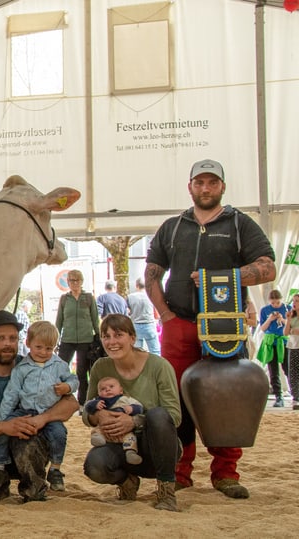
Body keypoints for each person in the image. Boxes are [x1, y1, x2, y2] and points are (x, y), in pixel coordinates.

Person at [145, 158, 276, 499]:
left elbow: (268, 267)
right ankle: (179, 472)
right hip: (179, 323)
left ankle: (226, 473)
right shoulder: (172, 226)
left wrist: (229, 278)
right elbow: (152, 273)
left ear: (222, 187)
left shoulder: (239, 224)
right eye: (199, 183)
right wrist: (164, 313)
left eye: (212, 183)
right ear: (190, 186)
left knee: (228, 396)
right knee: (175, 399)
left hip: (226, 326)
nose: (205, 188)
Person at [0, 311, 78, 504]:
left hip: (29, 440)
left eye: (12, 338)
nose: (8, 343)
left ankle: (33, 488)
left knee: (30, 443)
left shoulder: (36, 366)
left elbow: (71, 404)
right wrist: (4, 427)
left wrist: (42, 419)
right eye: (0, 338)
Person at [82, 314, 182, 511]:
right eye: (106, 336)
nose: (111, 342)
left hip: (156, 446)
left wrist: (134, 421)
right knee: (94, 467)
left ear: (132, 338)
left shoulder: (159, 366)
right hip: (118, 442)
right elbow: (87, 413)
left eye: (118, 335)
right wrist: (98, 415)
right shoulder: (100, 367)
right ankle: (127, 481)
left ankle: (166, 491)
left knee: (158, 415)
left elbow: (174, 416)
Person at [0, 321, 77, 493]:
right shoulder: (22, 369)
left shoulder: (59, 366)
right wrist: (4, 419)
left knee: (59, 433)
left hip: (49, 411)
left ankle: (55, 469)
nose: (43, 352)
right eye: (39, 347)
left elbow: (73, 380)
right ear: (28, 343)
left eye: (49, 349)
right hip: (25, 411)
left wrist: (67, 387)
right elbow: (11, 394)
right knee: (2, 432)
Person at [56, 269, 100, 406]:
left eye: (77, 280)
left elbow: (95, 319)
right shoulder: (64, 299)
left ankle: (82, 402)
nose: (75, 283)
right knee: (61, 369)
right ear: (67, 282)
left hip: (85, 339)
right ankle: (62, 400)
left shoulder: (88, 298)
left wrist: (99, 336)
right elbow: (59, 320)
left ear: (82, 282)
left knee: (82, 372)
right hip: (67, 339)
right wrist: (55, 337)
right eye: (71, 280)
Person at [84, 376, 144, 465]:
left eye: (111, 387)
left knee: (131, 438)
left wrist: (131, 408)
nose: (107, 389)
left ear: (121, 390)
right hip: (105, 429)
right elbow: (87, 407)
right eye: (103, 389)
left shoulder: (125, 399)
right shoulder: (99, 401)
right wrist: (95, 405)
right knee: (97, 431)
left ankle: (130, 453)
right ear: (99, 393)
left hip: (124, 431)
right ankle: (98, 440)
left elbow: (139, 407)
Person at [257, 289, 289, 408]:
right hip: (270, 341)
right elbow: (263, 328)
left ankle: (295, 394)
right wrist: (270, 319)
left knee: (288, 368)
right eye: (273, 303)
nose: (275, 305)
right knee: (273, 370)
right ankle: (278, 396)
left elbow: (291, 325)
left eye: (277, 303)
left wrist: (283, 320)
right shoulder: (265, 310)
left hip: (283, 340)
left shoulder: (287, 308)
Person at [126, 279, 160, 355]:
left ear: (137, 285)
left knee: (137, 351)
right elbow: (156, 314)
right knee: (155, 350)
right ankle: (156, 366)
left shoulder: (130, 297)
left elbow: (127, 312)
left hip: (135, 325)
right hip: (149, 325)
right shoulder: (151, 296)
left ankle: (139, 366)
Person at [285, 294, 299, 410]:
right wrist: (288, 319)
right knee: (293, 373)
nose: (294, 303)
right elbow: (286, 332)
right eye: (293, 301)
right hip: (293, 346)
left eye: (297, 301)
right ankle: (295, 398)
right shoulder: (292, 316)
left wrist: (294, 331)